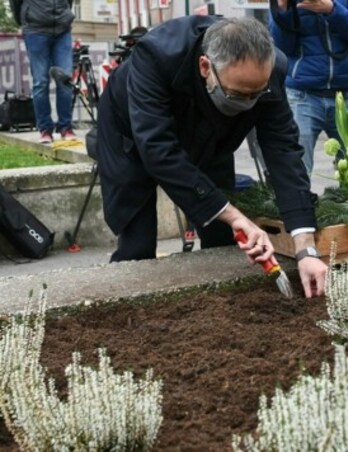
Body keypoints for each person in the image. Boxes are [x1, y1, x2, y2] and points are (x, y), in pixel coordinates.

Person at [95, 16, 327, 298]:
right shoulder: (156, 55)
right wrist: (234, 214)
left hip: (213, 135)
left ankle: (219, 302)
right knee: (138, 242)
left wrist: (306, 248)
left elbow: (283, 149)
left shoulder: (270, 68)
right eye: (238, 95)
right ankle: (126, 304)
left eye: (257, 94)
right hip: (131, 135)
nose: (249, 104)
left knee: (221, 235)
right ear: (206, 67)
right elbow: (157, 149)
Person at [269, 0, 348, 173]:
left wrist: (332, 9)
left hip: (343, 95)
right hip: (302, 96)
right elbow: (282, 47)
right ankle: (300, 201)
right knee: (297, 170)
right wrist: (283, 9)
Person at [10, 0, 76, 143]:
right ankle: (45, 129)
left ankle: (66, 127)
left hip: (62, 29)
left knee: (65, 80)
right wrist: (24, 18)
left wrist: (64, 12)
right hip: (35, 30)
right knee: (41, 82)